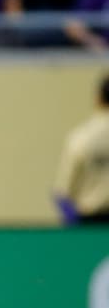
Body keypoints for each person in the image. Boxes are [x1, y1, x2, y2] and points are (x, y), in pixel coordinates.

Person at [55, 73, 109, 224]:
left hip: (90, 222)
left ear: (98, 99)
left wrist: (73, 227)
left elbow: (63, 193)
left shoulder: (80, 137)